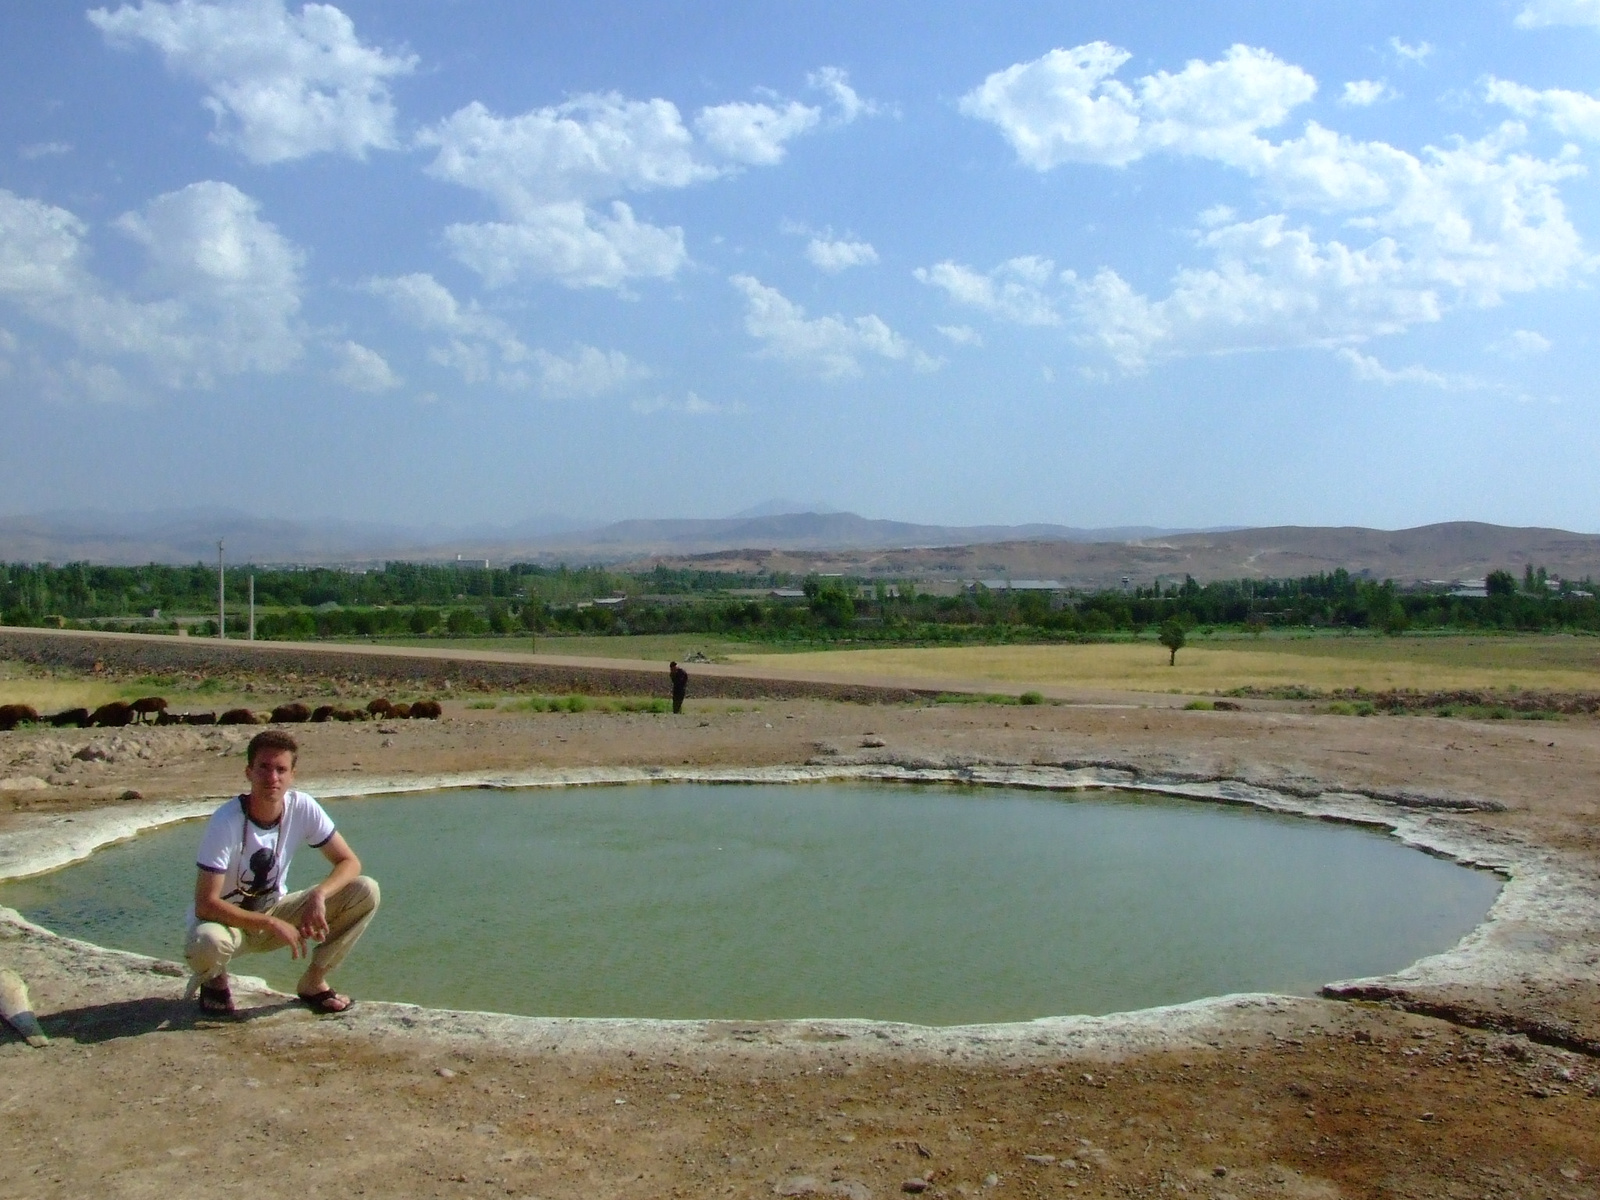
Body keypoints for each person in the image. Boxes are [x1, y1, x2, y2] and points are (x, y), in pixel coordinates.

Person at [185, 730, 380, 1017]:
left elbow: (349, 861)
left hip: (275, 911)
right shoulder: (225, 821)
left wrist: (320, 894)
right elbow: (206, 903)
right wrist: (269, 923)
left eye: (281, 769)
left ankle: (313, 981)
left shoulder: (302, 807)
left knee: (365, 891)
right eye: (263, 768)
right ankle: (215, 978)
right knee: (206, 944)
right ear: (249, 772)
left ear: (292, 775)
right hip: (227, 923)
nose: (272, 778)